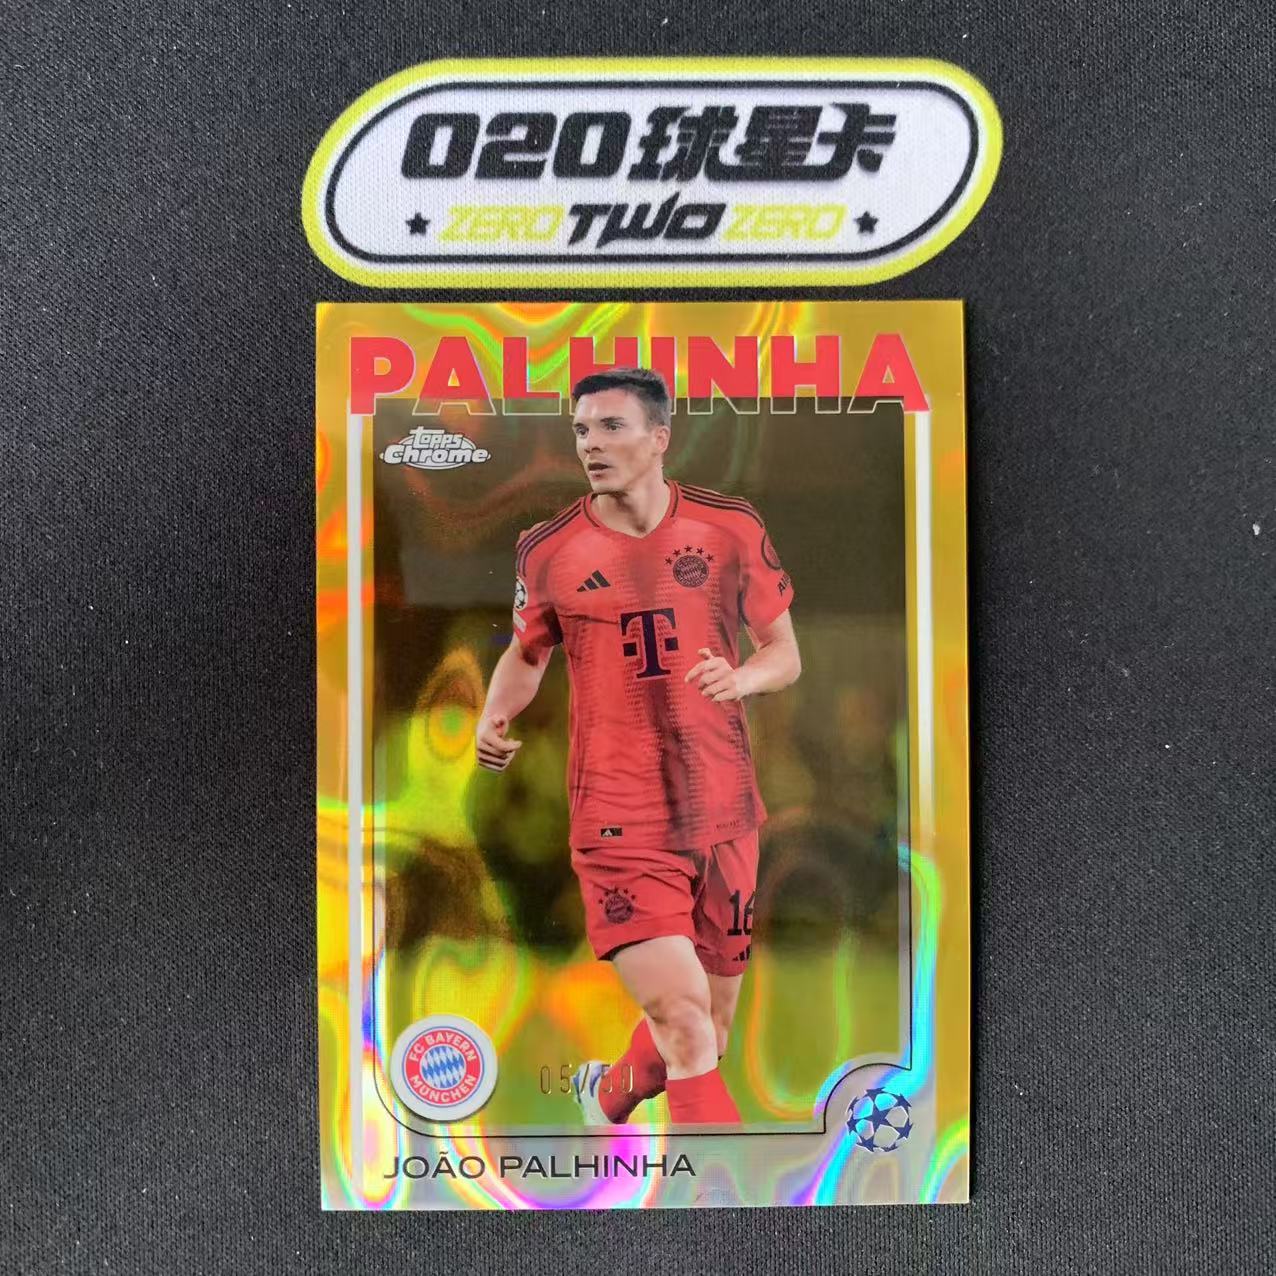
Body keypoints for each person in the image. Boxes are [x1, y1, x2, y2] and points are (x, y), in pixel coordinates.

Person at [475, 367, 801, 1125]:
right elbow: (526, 654)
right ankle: (717, 1181)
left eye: (611, 427)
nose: (590, 444)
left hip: (724, 811)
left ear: (660, 438)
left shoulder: (729, 528)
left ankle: (609, 1094)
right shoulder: (548, 549)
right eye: (581, 430)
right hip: (619, 819)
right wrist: (495, 716)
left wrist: (742, 679)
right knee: (685, 1023)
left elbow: (784, 653)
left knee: (710, 1028)